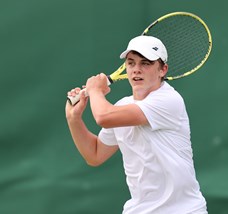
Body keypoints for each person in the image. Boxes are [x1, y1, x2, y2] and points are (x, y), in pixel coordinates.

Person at [65, 35, 208, 214]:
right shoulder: (121, 107)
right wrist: (74, 119)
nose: (136, 70)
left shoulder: (169, 100)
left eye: (145, 63)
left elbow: (103, 116)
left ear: (163, 70)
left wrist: (95, 90)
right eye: (131, 63)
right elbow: (94, 154)